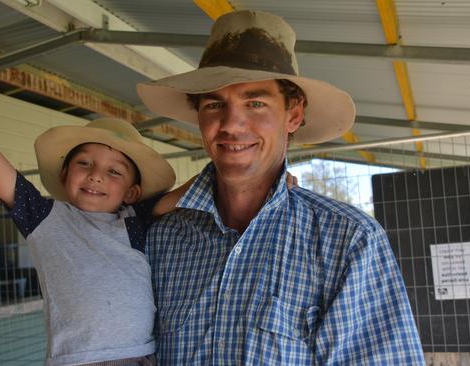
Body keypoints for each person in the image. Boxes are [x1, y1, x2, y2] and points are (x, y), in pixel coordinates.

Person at [137, 10, 425, 365]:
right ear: (199, 116)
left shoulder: (347, 240)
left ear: (293, 114)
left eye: (255, 103)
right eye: (214, 104)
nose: (232, 124)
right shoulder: (161, 240)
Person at [0, 73, 183, 366]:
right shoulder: (45, 217)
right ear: (64, 175)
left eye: (114, 171)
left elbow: (192, 190)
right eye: (84, 163)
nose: (95, 175)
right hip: (77, 359)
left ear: (132, 192)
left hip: (143, 354)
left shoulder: (135, 219)